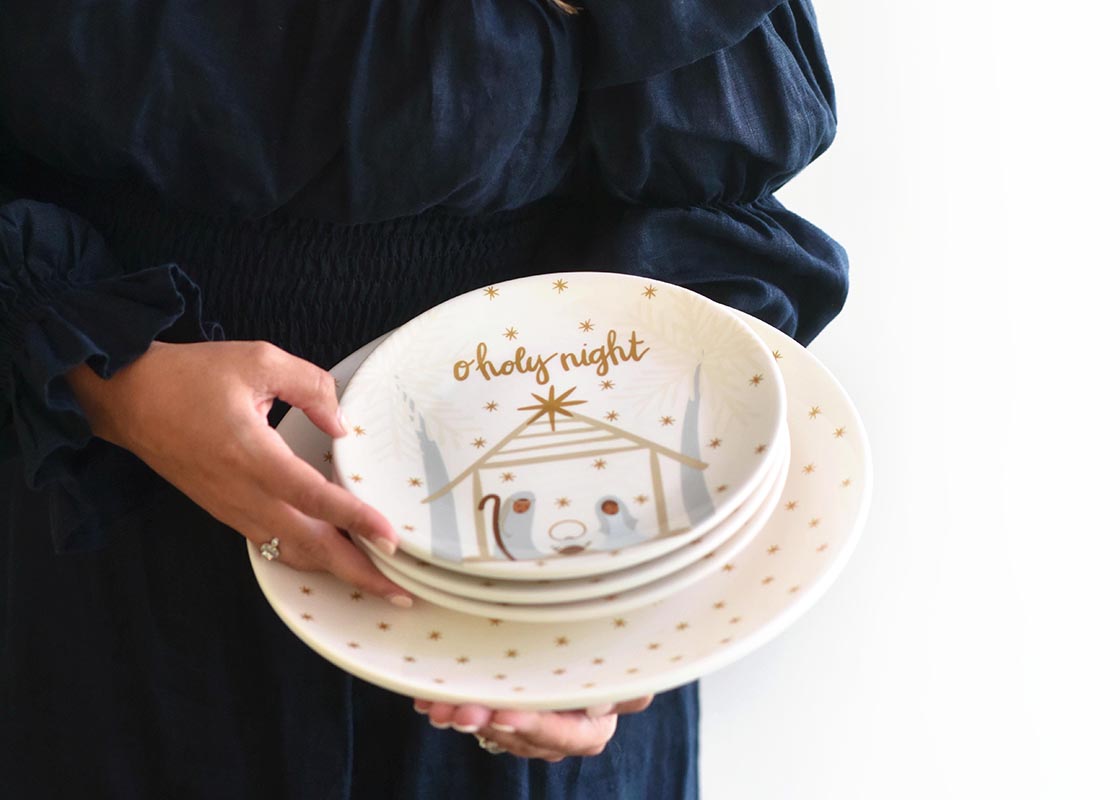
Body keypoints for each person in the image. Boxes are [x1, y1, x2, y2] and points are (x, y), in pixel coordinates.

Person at [0, 1, 848, 797]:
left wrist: (632, 590)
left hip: (552, 553)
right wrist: (109, 379)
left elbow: (715, 167)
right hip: (113, 515)